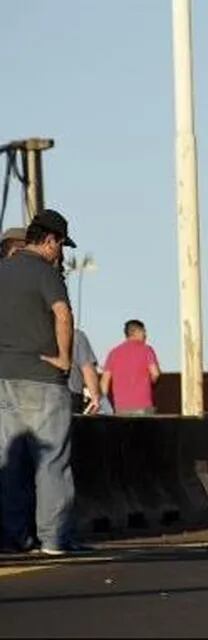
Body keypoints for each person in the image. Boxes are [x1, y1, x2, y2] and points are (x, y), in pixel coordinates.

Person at [0, 209, 80, 555]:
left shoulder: (2, 270)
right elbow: (63, 313)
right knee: (51, 462)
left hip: (4, 378)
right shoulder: (45, 273)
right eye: (60, 246)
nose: (60, 254)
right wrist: (64, 358)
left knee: (10, 462)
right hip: (43, 378)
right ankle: (53, 539)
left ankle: (15, 537)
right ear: (50, 240)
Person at [101, 319, 161, 416]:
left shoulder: (113, 353)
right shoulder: (146, 349)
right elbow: (155, 373)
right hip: (143, 404)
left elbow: (104, 382)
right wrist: (151, 384)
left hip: (121, 407)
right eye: (143, 331)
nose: (145, 335)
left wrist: (105, 406)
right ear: (135, 332)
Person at [68, 328, 101, 415]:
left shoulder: (32, 335)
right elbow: (87, 368)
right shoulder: (76, 335)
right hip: (69, 395)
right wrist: (95, 397)